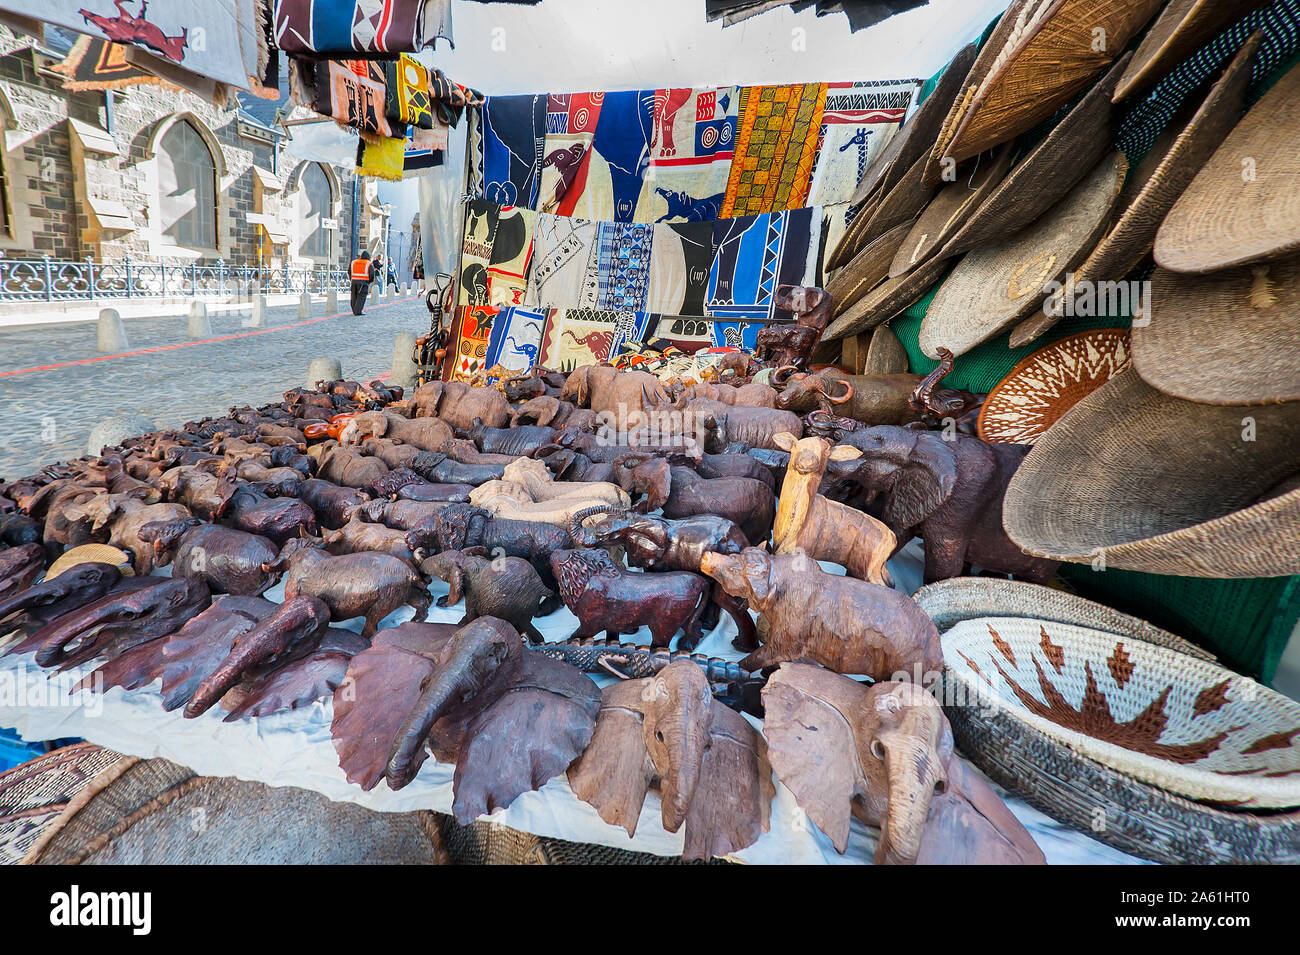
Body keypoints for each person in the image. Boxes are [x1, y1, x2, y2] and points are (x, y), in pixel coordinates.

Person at [349, 250, 376, 315]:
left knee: (354, 296)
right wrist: (369, 282)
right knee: (361, 297)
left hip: (354, 281)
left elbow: (349, 272)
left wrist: (352, 278)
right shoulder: (369, 263)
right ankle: (358, 311)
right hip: (364, 282)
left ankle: (354, 310)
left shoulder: (353, 262)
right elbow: (372, 274)